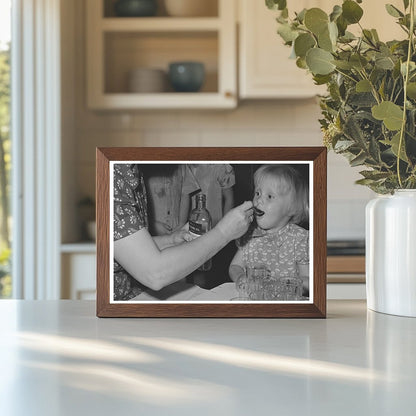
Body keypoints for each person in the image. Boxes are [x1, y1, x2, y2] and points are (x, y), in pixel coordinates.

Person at [113, 163, 253, 301]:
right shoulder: (114, 177)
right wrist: (224, 232)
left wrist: (171, 240)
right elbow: (155, 274)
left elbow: (128, 248)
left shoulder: (132, 171)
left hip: (133, 291)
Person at [228, 164, 309, 294]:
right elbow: (235, 266)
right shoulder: (250, 234)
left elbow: (308, 280)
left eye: (269, 196)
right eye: (258, 193)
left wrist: (284, 284)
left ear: (291, 208)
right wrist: (240, 277)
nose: (259, 200)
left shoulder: (300, 239)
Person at [143, 164, 199, 236]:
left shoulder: (182, 165)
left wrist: (181, 223)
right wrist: (152, 224)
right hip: (150, 232)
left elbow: (185, 194)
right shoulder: (141, 167)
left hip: (176, 228)